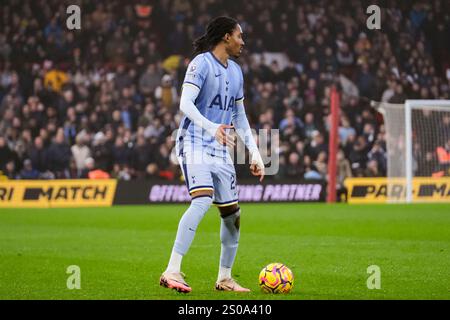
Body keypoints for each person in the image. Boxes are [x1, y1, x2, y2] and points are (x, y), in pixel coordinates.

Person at [159, 16, 265, 293]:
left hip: (220, 149)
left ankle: (225, 278)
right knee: (203, 200)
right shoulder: (200, 64)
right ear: (226, 37)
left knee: (232, 215)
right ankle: (172, 270)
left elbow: (239, 116)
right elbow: (185, 103)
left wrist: (254, 153)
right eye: (239, 36)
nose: (243, 41)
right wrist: (212, 126)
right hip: (193, 141)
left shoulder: (236, 71)